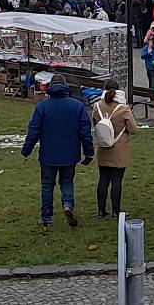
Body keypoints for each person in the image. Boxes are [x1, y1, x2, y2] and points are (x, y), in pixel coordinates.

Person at [21, 74, 94, 228]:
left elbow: (34, 130)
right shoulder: (77, 106)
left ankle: (47, 217)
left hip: (48, 154)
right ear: (65, 86)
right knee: (67, 182)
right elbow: (85, 132)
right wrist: (89, 152)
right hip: (70, 153)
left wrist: (26, 150)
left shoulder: (42, 107)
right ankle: (67, 204)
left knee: (47, 185)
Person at [91, 80, 138, 218]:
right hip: (119, 148)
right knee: (117, 180)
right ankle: (116, 211)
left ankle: (101, 210)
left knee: (103, 179)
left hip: (103, 147)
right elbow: (133, 129)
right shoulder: (123, 109)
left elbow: (95, 123)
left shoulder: (97, 106)